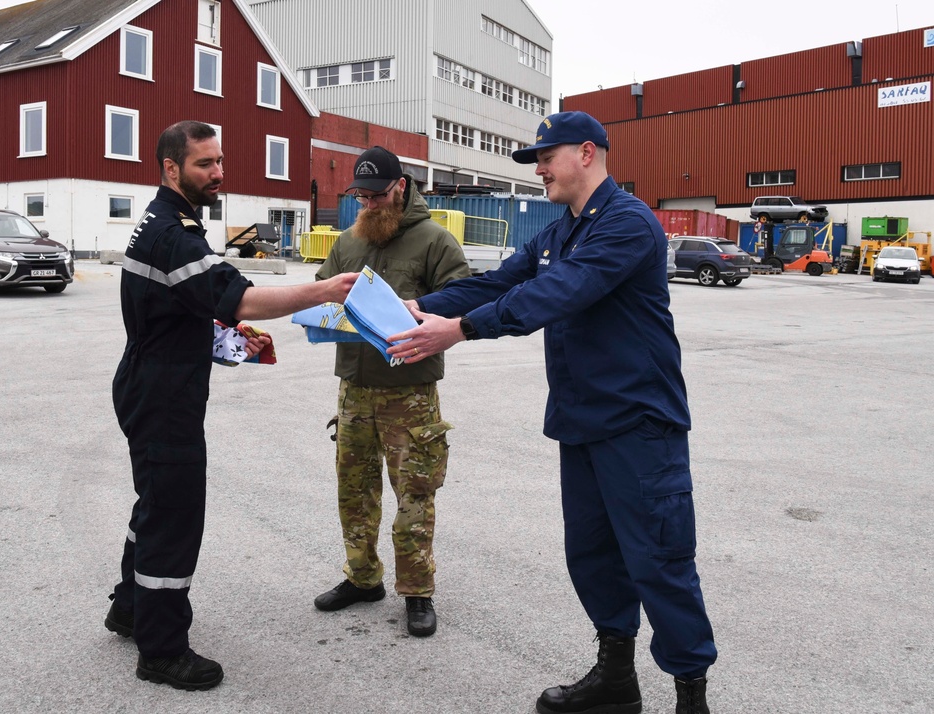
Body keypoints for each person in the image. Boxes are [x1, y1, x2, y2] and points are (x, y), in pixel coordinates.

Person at [386, 112, 716, 714]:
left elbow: (555, 294)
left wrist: (458, 330)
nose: (538, 169)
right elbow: (499, 283)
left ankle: (691, 698)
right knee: (592, 557)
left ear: (586, 153)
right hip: (582, 422)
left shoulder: (627, 225)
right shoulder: (559, 231)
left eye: (546, 156)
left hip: (639, 425)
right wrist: (419, 305)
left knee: (660, 561)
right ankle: (616, 678)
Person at [105, 120, 357, 691]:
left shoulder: (174, 221)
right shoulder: (173, 234)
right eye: (204, 165)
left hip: (155, 380)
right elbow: (238, 295)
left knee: (155, 500)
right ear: (171, 169)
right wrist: (322, 290)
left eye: (219, 161)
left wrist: (225, 337)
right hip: (163, 394)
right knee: (173, 513)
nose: (218, 172)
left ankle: (130, 608)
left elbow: (180, 306)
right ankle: (161, 650)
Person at [312, 146, 470, 637]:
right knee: (354, 491)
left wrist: (412, 309)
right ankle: (362, 578)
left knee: (414, 494)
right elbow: (321, 291)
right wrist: (321, 310)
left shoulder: (435, 241)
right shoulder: (347, 241)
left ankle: (417, 592)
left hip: (410, 393)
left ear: (400, 187)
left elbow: (462, 296)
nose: (368, 205)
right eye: (360, 196)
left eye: (376, 195)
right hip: (355, 389)